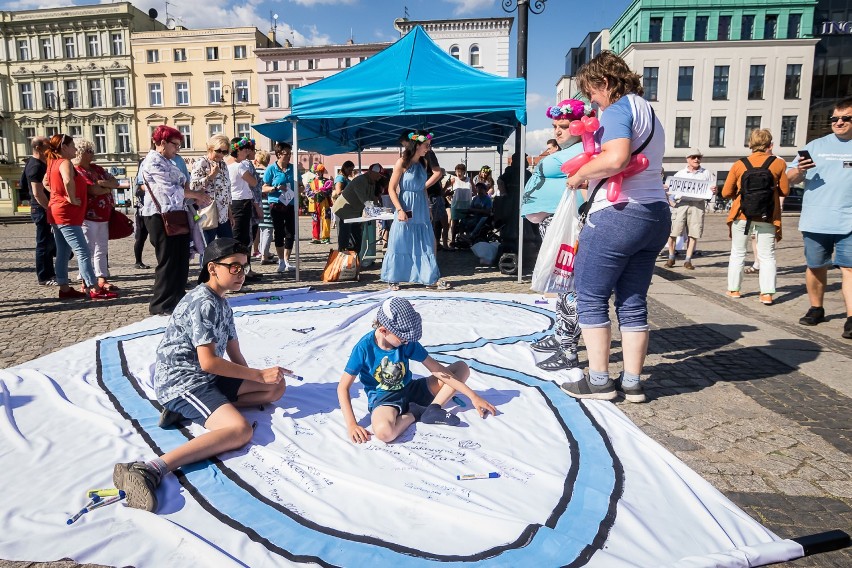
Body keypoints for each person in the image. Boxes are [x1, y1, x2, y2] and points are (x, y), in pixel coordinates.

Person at [112, 238, 290, 512]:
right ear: (212, 268)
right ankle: (150, 469)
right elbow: (208, 363)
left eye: (243, 267)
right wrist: (256, 375)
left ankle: (192, 413)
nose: (241, 274)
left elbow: (234, 353)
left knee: (276, 388)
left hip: (206, 378)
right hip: (182, 382)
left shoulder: (222, 302)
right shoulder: (203, 302)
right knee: (239, 430)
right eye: (234, 267)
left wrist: (260, 377)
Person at [563, 51, 670, 403]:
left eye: (590, 92)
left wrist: (580, 174)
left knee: (591, 297)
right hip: (655, 213)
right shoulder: (648, 111)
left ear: (604, 83)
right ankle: (633, 382)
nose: (590, 101)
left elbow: (617, 157)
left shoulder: (618, 109)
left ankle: (598, 381)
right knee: (633, 301)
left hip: (618, 214)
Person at [337, 297, 496, 444]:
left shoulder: (406, 343)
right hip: (385, 399)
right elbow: (343, 387)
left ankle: (433, 408)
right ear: (384, 330)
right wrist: (351, 424)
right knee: (384, 433)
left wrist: (473, 396)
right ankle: (415, 413)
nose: (407, 341)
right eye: (402, 338)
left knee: (461, 367)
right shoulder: (363, 348)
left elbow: (437, 369)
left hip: (412, 389)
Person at [521, 99, 592, 371]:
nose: (557, 131)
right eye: (555, 126)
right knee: (560, 284)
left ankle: (568, 348)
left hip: (567, 225)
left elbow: (587, 187)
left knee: (567, 284)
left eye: (563, 126)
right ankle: (562, 335)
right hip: (553, 223)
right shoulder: (570, 151)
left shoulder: (586, 150)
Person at [787, 97, 852, 338]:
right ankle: (816, 308)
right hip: (817, 218)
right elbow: (789, 179)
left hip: (849, 220)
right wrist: (799, 170)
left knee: (850, 268)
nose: (839, 122)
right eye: (835, 118)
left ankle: (851, 318)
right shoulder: (816, 146)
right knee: (816, 266)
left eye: (845, 118)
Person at [139, 125, 211, 315]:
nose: (178, 149)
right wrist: (195, 194)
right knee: (168, 260)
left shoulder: (168, 161)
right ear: (162, 143)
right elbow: (169, 189)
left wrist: (196, 196)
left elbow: (181, 184)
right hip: (159, 215)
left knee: (180, 259)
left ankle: (177, 299)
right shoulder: (152, 162)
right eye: (175, 145)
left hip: (176, 214)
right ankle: (161, 304)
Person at [43, 134, 117, 301]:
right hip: (66, 214)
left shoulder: (52, 163)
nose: (75, 150)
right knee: (83, 251)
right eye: (72, 146)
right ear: (64, 148)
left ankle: (64, 288)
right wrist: (70, 197)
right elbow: (68, 180)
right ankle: (93, 287)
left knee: (63, 251)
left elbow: (46, 183)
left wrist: (57, 193)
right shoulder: (64, 162)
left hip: (56, 212)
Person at [721, 129, 789, 305]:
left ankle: (734, 289)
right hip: (767, 215)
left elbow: (726, 192)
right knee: (767, 255)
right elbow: (785, 191)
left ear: (750, 143)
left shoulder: (739, 164)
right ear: (769, 144)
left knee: (738, 252)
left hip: (742, 215)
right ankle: (767, 294)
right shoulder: (778, 164)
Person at [381, 131, 452, 291]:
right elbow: (392, 189)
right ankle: (394, 277)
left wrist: (428, 207)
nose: (429, 148)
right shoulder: (402, 163)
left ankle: (429, 278)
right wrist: (399, 209)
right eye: (427, 145)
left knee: (425, 242)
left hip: (420, 205)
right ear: (418, 145)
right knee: (400, 240)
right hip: (406, 203)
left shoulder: (423, 163)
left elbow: (423, 189)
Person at [75, 139, 120, 293]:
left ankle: (102, 278)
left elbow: (115, 182)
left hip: (104, 215)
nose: (92, 154)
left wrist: (102, 183)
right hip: (88, 216)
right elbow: (92, 190)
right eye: (89, 151)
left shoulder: (97, 169)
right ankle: (85, 280)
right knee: (87, 249)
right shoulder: (78, 170)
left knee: (102, 248)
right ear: (80, 152)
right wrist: (105, 187)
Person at [664, 149, 716, 269]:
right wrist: (669, 198)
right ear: (687, 159)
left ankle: (688, 260)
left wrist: (714, 191)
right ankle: (671, 257)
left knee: (694, 232)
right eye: (693, 157)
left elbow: (710, 190)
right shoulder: (680, 174)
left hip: (698, 205)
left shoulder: (706, 173)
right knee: (673, 231)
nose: (696, 159)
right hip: (681, 203)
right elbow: (671, 190)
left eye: (698, 157)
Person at [226, 137, 261, 282]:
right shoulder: (240, 166)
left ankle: (242, 271)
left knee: (240, 237)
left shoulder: (229, 165)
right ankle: (239, 273)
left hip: (236, 203)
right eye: (244, 149)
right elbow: (253, 182)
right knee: (242, 239)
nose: (247, 151)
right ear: (237, 150)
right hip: (242, 203)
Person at [23, 136, 57, 285]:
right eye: (47, 145)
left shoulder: (39, 163)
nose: (50, 147)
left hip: (42, 207)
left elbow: (24, 184)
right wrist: (50, 208)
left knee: (49, 243)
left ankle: (51, 274)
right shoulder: (35, 166)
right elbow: (37, 193)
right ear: (38, 148)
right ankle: (44, 277)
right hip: (41, 208)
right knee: (43, 243)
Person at [331, 163, 385, 255]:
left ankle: (356, 258)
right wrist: (375, 209)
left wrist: (379, 207)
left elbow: (372, 197)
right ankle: (343, 258)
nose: (379, 178)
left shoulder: (371, 181)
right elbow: (364, 199)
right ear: (371, 173)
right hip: (344, 210)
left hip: (355, 212)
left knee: (357, 236)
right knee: (346, 236)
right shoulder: (360, 181)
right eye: (378, 175)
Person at [262, 142, 299, 273]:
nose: (289, 156)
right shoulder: (271, 169)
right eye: (286, 153)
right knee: (279, 232)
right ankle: (281, 261)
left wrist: (298, 189)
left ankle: (287, 260)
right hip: (276, 204)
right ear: (278, 154)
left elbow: (299, 184)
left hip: (290, 204)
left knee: (290, 232)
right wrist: (275, 188)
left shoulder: (293, 168)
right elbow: (264, 187)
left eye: (290, 153)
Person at [190, 134, 233, 245]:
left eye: (224, 152)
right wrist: (211, 176)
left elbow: (226, 190)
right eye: (218, 151)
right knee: (207, 249)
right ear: (210, 148)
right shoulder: (201, 163)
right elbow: (193, 187)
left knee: (228, 247)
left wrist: (230, 213)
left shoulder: (223, 164)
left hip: (223, 215)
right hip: (207, 213)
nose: (221, 155)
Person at [251, 149, 270, 259]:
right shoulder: (268, 171)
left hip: (254, 202)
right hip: (265, 202)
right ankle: (263, 252)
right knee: (265, 228)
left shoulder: (253, 172)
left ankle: (256, 249)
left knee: (256, 227)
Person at [447, 163, 472, 246]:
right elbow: (446, 189)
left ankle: (464, 238)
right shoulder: (453, 179)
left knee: (465, 223)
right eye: (457, 171)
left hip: (467, 205)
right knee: (454, 222)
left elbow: (475, 191)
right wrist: (448, 196)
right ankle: (453, 239)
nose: (459, 173)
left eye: (461, 171)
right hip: (456, 205)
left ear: (464, 172)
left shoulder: (469, 179)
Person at [307, 164, 333, 244]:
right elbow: (307, 192)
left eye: (319, 172)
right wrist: (313, 193)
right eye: (316, 172)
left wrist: (323, 192)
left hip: (325, 204)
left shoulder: (327, 181)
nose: (317, 173)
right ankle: (316, 238)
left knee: (326, 220)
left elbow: (329, 191)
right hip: (314, 204)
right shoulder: (310, 181)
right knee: (315, 221)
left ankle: (326, 238)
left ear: (322, 172)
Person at [332, 161, 355, 231]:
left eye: (352, 170)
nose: (351, 172)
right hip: (342, 208)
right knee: (344, 231)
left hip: (348, 208)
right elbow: (338, 191)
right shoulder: (340, 178)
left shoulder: (346, 178)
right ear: (344, 168)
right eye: (349, 170)